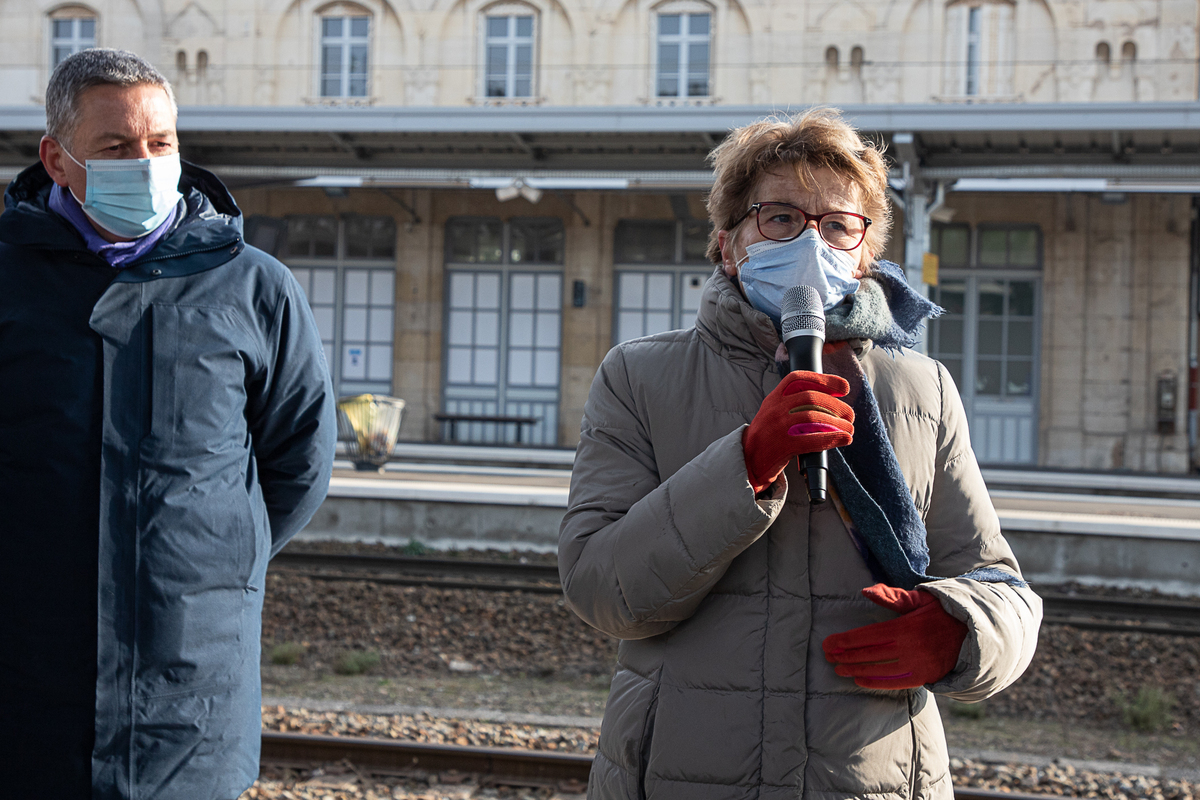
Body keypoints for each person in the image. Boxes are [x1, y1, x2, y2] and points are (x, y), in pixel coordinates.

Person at [559, 108, 1042, 800]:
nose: (811, 243)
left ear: (865, 252)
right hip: (682, 774)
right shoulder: (640, 377)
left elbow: (1001, 585)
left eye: (839, 225)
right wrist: (748, 461)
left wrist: (964, 633)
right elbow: (601, 589)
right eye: (780, 218)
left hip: (870, 777)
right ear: (729, 244)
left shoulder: (921, 387)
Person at [0, 49, 336, 799]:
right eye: (116, 148)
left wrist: (211, 560)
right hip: (24, 682)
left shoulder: (253, 286)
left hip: (193, 687)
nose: (145, 164)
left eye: (161, 144)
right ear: (57, 160)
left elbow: (299, 461)